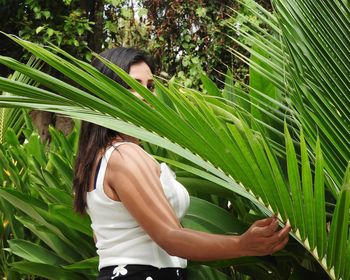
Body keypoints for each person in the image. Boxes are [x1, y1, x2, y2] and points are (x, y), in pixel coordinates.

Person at [73, 47, 291, 280]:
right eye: (132, 85)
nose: (145, 94)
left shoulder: (98, 159)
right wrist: (242, 244)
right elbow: (170, 237)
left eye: (150, 86)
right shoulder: (125, 155)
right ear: (107, 91)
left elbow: (105, 238)